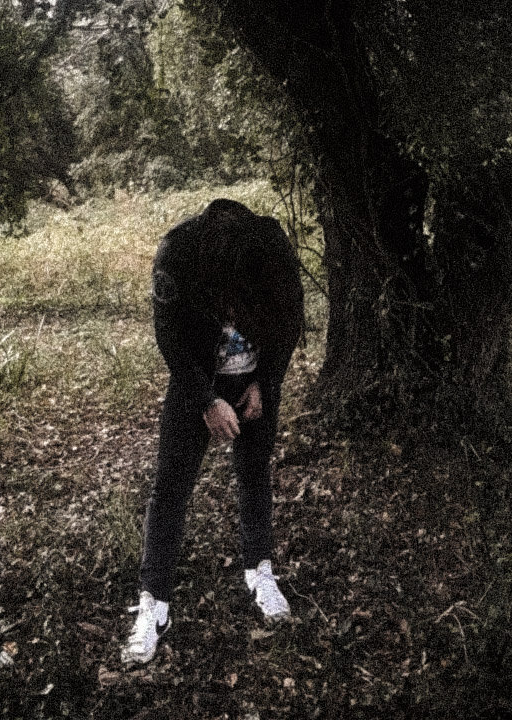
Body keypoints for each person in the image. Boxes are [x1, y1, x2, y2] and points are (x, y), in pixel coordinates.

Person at [121, 198, 305, 665]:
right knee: (170, 487)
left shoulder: (270, 247)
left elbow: (290, 320)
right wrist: (205, 399)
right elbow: (169, 336)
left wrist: (266, 382)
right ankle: (154, 601)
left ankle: (259, 570)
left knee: (254, 473)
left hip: (255, 377)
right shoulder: (177, 253)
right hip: (197, 379)